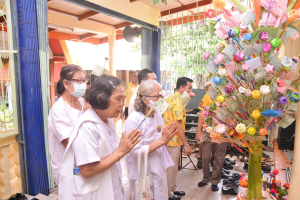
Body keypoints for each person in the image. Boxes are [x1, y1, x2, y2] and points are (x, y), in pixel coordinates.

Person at [58, 75, 141, 200]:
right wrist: (120, 152)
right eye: (118, 99)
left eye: (123, 99)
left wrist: (120, 149)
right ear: (101, 99)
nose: (121, 104)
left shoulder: (107, 120)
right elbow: (87, 171)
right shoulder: (87, 125)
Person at [123, 80, 178, 200]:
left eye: (162, 95)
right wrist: (162, 141)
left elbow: (161, 141)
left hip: (158, 167)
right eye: (158, 96)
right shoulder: (134, 120)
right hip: (142, 171)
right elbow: (134, 151)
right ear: (145, 99)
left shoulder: (157, 115)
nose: (161, 99)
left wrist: (166, 138)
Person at [48, 64, 88, 185]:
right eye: (78, 81)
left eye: (84, 81)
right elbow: (68, 142)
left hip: (85, 164)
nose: (82, 85)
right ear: (66, 83)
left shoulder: (81, 102)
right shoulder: (59, 109)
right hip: (68, 168)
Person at [163, 77, 193, 200]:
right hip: (172, 140)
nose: (191, 91)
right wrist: (187, 144)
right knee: (170, 168)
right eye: (189, 88)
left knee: (174, 167)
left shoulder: (171, 98)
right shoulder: (178, 102)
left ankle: (173, 187)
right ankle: (168, 194)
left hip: (171, 139)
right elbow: (178, 125)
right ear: (181, 88)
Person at [196, 112, 235, 191]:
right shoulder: (208, 99)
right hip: (208, 131)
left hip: (223, 133)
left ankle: (215, 181)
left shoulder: (228, 100)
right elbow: (201, 115)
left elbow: (233, 116)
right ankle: (205, 179)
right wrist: (198, 131)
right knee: (205, 157)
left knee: (219, 159)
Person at [196, 82, 214, 169]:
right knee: (203, 143)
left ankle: (213, 160)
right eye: (207, 88)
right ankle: (200, 159)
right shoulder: (207, 97)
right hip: (207, 125)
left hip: (218, 127)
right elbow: (202, 113)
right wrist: (199, 129)